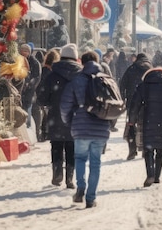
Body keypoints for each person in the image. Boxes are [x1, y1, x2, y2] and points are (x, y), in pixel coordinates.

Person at [60, 51, 111, 208]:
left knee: (80, 158)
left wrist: (69, 121)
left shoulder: (76, 80)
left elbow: (65, 105)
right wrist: (109, 123)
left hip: (80, 127)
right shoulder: (105, 80)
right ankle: (91, 197)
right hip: (101, 127)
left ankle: (80, 187)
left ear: (81, 62)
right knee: (95, 163)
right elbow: (113, 103)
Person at [37, 43, 82, 188]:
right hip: (74, 118)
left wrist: (51, 103)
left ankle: (57, 175)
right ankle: (70, 178)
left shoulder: (52, 75)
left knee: (56, 146)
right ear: (75, 58)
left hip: (56, 116)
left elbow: (41, 97)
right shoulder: (81, 76)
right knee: (72, 147)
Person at [120, 53, 153, 160]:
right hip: (148, 101)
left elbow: (122, 83)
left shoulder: (131, 68)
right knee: (146, 125)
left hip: (132, 100)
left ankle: (132, 149)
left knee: (131, 124)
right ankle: (145, 149)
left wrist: (123, 97)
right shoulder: (151, 70)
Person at [34, 49, 60, 142]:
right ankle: (46, 133)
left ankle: (44, 133)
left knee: (44, 115)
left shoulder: (43, 69)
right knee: (47, 115)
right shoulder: (54, 73)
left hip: (43, 95)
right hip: (51, 97)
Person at [20, 43, 41, 129]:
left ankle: (28, 127)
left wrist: (29, 85)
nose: (24, 53)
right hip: (20, 90)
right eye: (22, 51)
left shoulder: (35, 63)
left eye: (26, 51)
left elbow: (37, 77)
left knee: (28, 107)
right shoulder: (18, 61)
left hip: (29, 91)